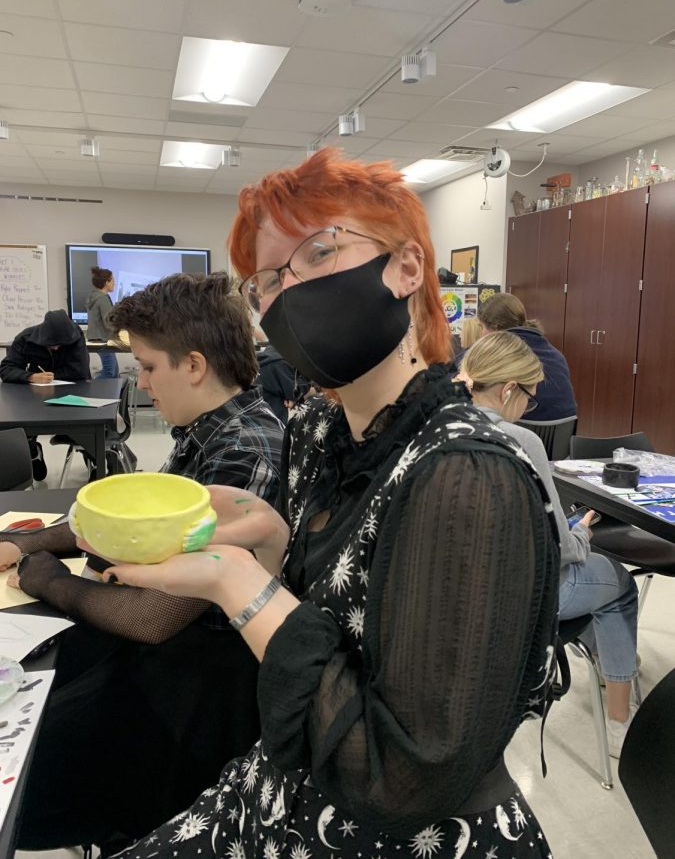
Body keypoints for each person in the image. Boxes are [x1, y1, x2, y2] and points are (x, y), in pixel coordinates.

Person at [90, 149, 561, 858]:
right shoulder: (317, 427)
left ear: (406, 269)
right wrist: (276, 544)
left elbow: (404, 781)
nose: (288, 292)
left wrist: (237, 582)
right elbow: (331, 628)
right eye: (268, 281)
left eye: (317, 251)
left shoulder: (465, 475)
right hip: (283, 781)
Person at [0, 272, 284, 852]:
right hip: (164, 658)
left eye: (150, 367)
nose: (143, 384)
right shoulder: (206, 430)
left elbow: (157, 617)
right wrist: (28, 543)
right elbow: (126, 528)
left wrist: (44, 576)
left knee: (39, 760)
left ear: (195, 366)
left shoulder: (246, 451)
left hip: (199, 682)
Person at [461, 331, 638, 757]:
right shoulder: (521, 442)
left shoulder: (444, 425)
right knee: (619, 585)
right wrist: (582, 531)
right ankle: (618, 720)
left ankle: (609, 665)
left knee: (600, 577)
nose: (529, 408)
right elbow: (561, 546)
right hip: (524, 594)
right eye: (529, 398)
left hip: (468, 590)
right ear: (507, 390)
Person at [0, 308, 90, 480]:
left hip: (74, 394)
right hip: (35, 398)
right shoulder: (25, 339)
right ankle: (33, 453)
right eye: (52, 344)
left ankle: (94, 460)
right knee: (18, 425)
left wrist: (52, 376)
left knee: (88, 428)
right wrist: (30, 376)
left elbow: (80, 370)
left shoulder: (75, 335)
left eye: (60, 344)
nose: (56, 347)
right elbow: (6, 369)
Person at [478, 292, 576, 422]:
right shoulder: (556, 355)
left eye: (482, 327)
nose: (480, 334)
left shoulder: (497, 356)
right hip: (561, 436)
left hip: (516, 434)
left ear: (495, 329)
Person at [86, 266, 119, 378]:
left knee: (114, 371)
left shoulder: (94, 296)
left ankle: (112, 394)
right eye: (113, 280)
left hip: (96, 338)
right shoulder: (103, 298)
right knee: (110, 372)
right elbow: (109, 322)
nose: (114, 283)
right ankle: (92, 390)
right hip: (102, 340)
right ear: (106, 282)